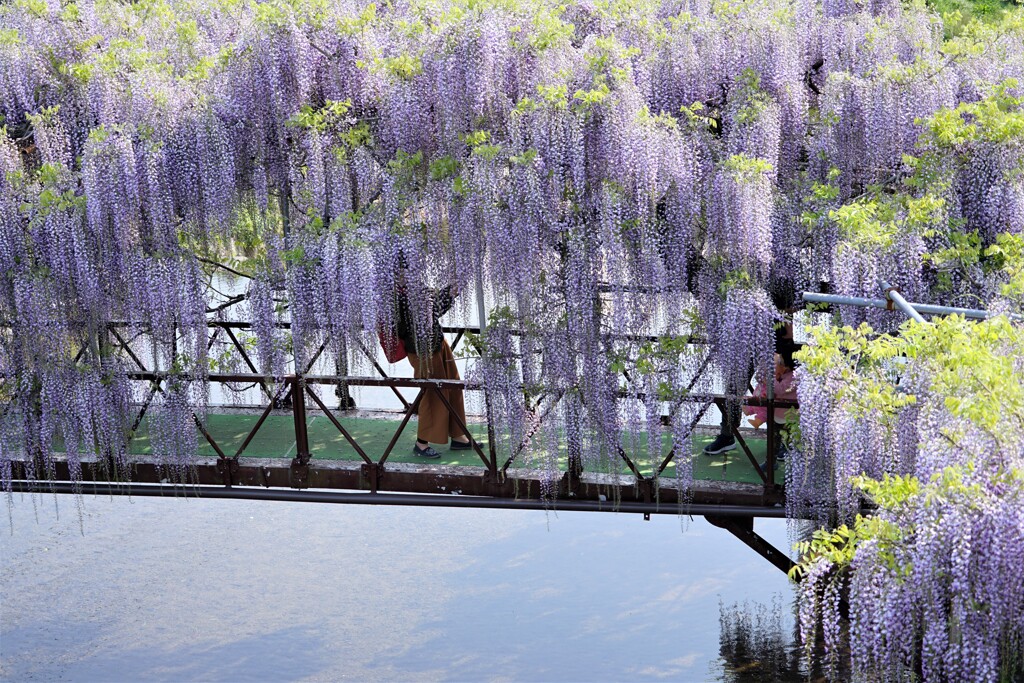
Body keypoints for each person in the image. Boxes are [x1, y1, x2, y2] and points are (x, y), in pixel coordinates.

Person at [394, 276, 472, 459]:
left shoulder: (414, 286)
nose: (406, 273)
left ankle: (458, 436)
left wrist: (452, 289)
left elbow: (433, 305)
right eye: (402, 270)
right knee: (432, 393)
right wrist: (451, 292)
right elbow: (428, 311)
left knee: (453, 386)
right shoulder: (393, 297)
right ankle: (421, 443)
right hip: (422, 351)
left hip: (437, 343)